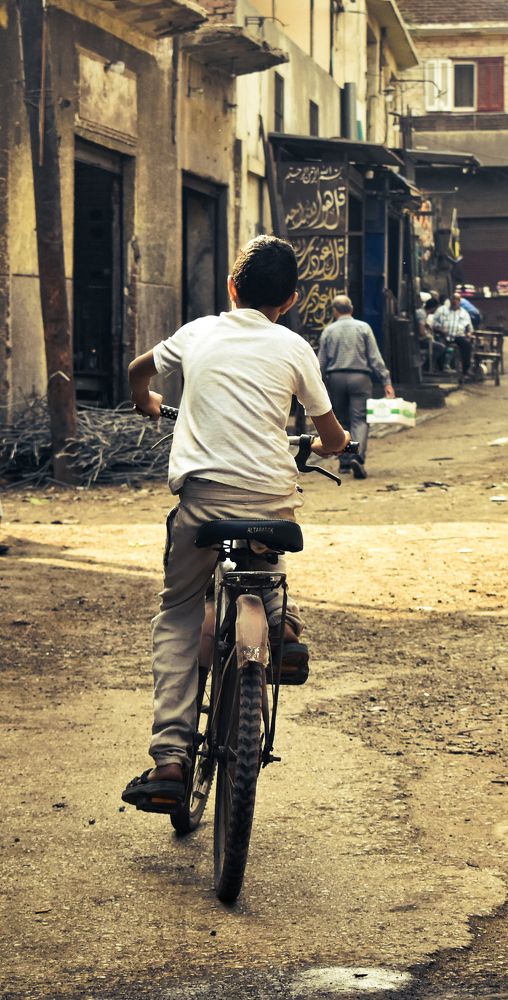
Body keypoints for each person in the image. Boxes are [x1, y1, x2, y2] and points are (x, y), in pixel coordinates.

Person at [121, 235, 349, 812]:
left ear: (231, 287)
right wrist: (331, 445)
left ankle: (171, 759)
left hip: (202, 501)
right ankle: (280, 627)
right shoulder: (296, 348)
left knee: (178, 612)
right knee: (263, 562)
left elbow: (137, 370)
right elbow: (329, 436)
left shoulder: (197, 332)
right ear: (292, 300)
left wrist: (145, 398)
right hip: (269, 501)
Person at [318, 294, 395, 480]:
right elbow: (375, 358)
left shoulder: (329, 331)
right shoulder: (363, 328)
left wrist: (317, 384)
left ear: (335, 311)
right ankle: (358, 457)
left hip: (336, 378)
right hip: (360, 378)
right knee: (359, 419)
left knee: (342, 421)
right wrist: (386, 381)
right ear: (351, 309)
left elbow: (321, 362)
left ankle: (344, 461)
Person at [432, 291, 474, 373]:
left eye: (457, 300)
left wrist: (469, 333)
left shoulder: (464, 313)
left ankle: (466, 369)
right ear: (450, 300)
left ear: (459, 301)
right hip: (443, 335)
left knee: (467, 346)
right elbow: (433, 323)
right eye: (453, 299)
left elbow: (470, 328)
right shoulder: (442, 310)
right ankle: (441, 368)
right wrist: (440, 330)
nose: (454, 301)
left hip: (458, 336)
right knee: (440, 345)